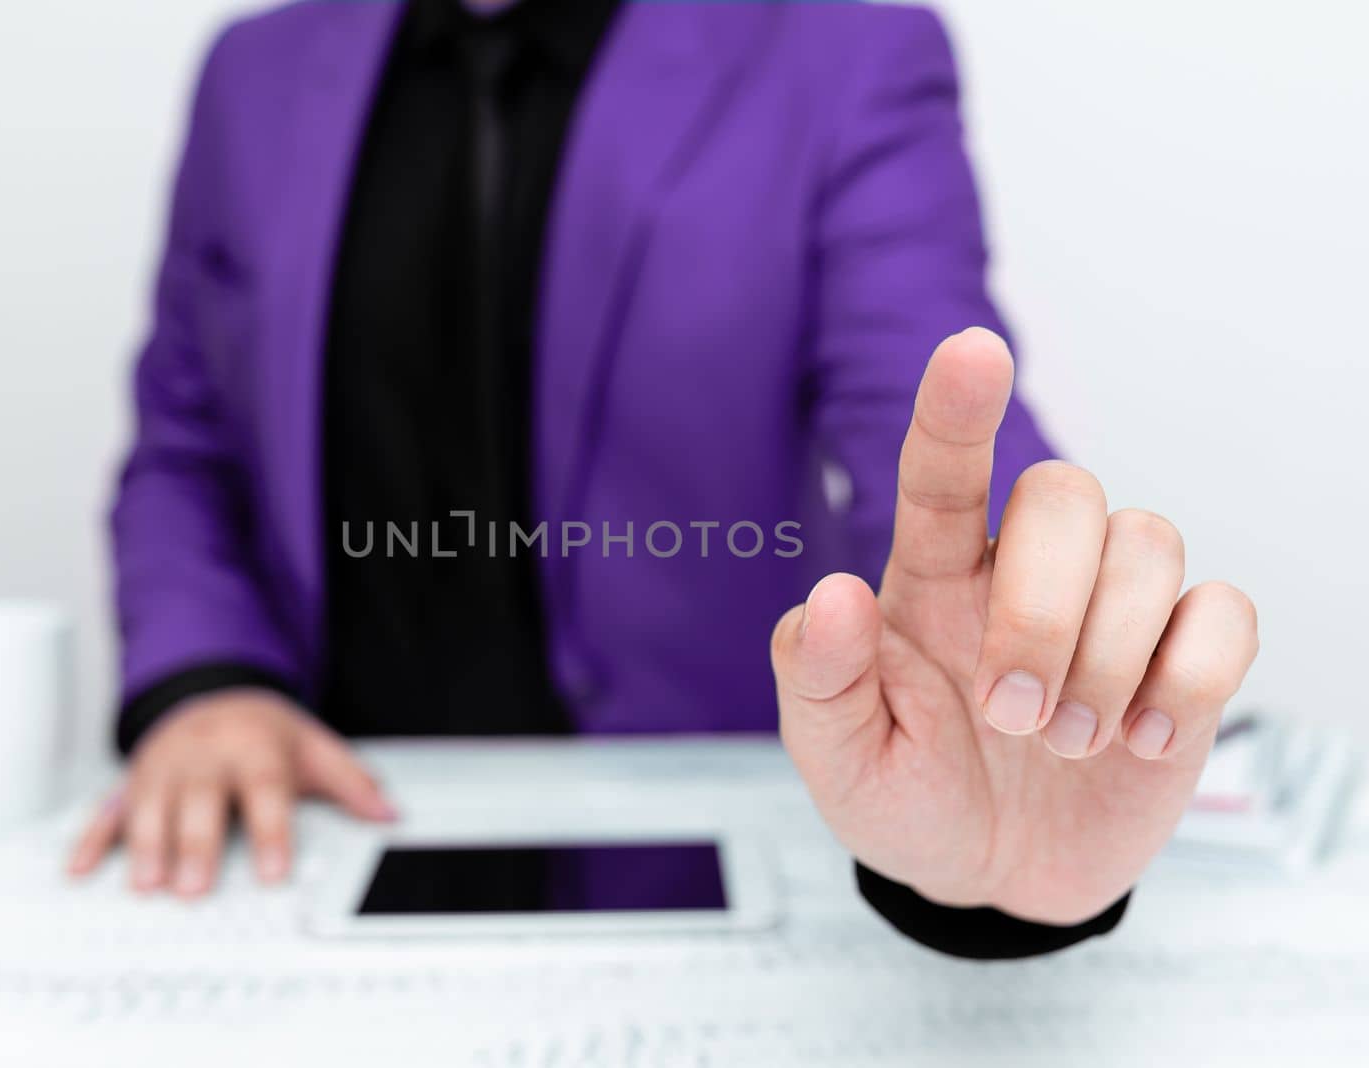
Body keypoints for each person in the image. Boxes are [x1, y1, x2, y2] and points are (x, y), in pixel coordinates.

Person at [67, 0, 1257, 959]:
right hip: (325, 827)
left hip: (694, 843)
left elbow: (928, 413)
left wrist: (1022, 668)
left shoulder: (840, 49)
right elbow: (188, 444)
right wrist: (203, 683)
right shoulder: (254, 72)